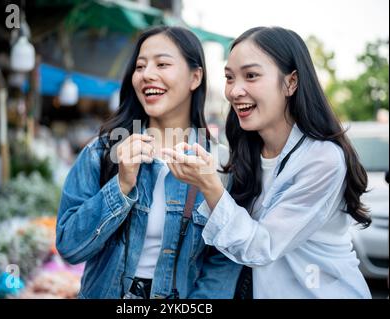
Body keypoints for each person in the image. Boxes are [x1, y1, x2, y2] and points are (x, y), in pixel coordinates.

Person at [162, 26, 372, 298]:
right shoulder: (246, 152)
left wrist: (209, 185)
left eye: (251, 76)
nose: (235, 91)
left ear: (291, 82)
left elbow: (260, 247)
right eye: (229, 77)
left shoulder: (323, 159)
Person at [56, 26, 241, 299]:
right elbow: (69, 247)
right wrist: (121, 185)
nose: (147, 75)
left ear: (195, 77)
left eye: (162, 64)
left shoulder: (220, 164)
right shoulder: (102, 152)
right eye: (140, 66)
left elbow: (223, 263)